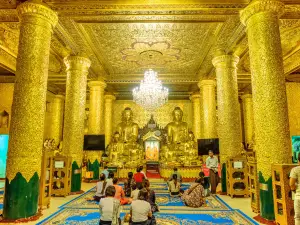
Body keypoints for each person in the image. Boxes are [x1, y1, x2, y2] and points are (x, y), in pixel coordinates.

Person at [290, 153, 300, 225]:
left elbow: (291, 184)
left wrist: (294, 189)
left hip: (299, 196)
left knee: (298, 217)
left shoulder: (295, 170)